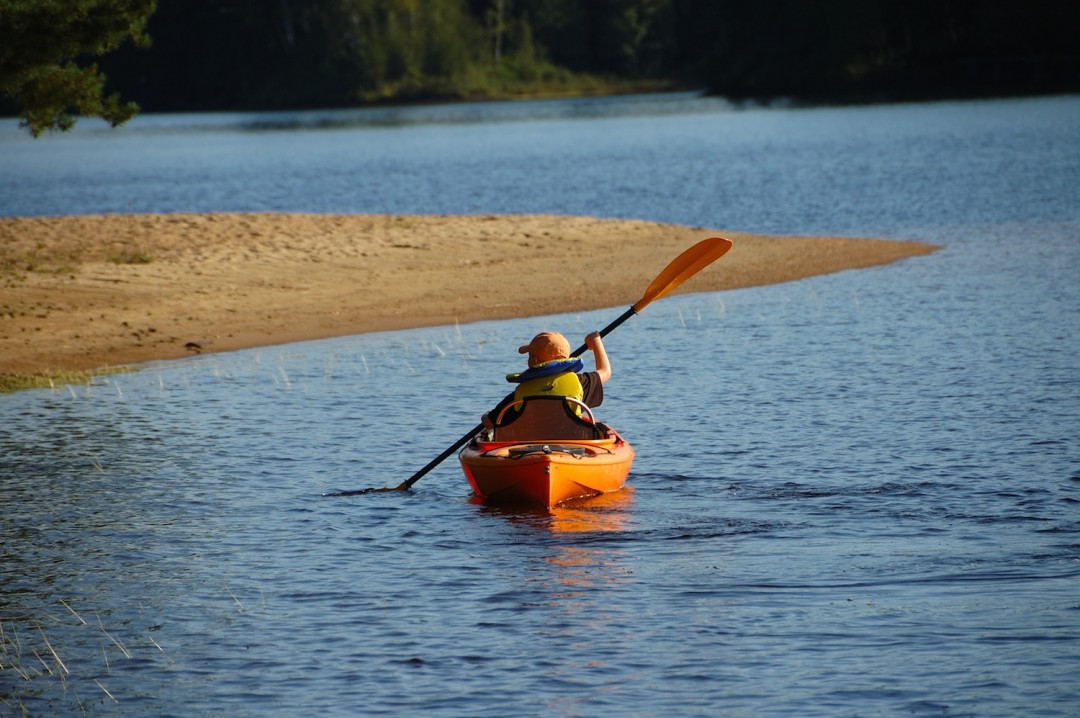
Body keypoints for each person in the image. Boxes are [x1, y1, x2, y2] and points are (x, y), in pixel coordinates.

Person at [482, 330, 610, 429]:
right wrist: (595, 341)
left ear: (535, 361)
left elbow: (490, 423)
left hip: (529, 451)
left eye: (530, 355)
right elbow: (605, 371)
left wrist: (486, 416)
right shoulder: (579, 383)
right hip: (571, 449)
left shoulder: (521, 393)